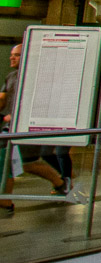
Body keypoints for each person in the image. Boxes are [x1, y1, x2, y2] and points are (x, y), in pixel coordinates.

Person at [0, 43, 75, 212]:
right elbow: (2, 99)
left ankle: (60, 183)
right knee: (12, 161)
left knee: (24, 163)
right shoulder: (11, 76)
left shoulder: (38, 77)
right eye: (12, 54)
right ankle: (60, 183)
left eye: (17, 55)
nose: (12, 57)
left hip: (28, 126)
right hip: (11, 126)